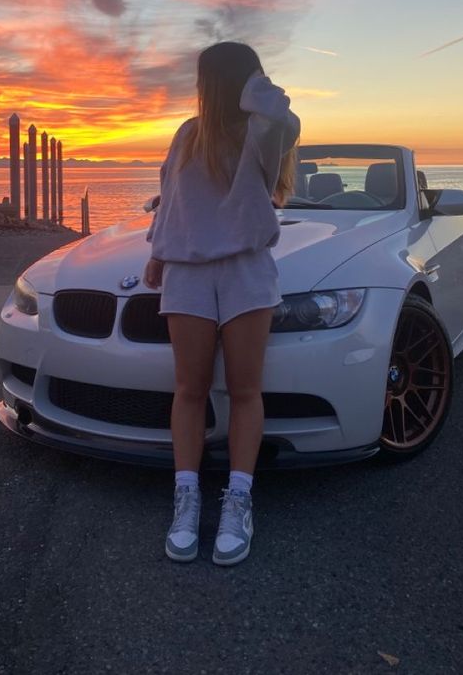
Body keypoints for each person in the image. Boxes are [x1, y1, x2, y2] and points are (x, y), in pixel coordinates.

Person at [143, 41, 300, 565]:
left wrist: (254, 85)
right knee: (188, 388)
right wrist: (157, 255)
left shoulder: (265, 130)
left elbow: (282, 114)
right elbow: (170, 197)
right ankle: (186, 498)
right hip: (187, 271)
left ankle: (238, 498)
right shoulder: (188, 135)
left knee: (243, 389)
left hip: (245, 269)